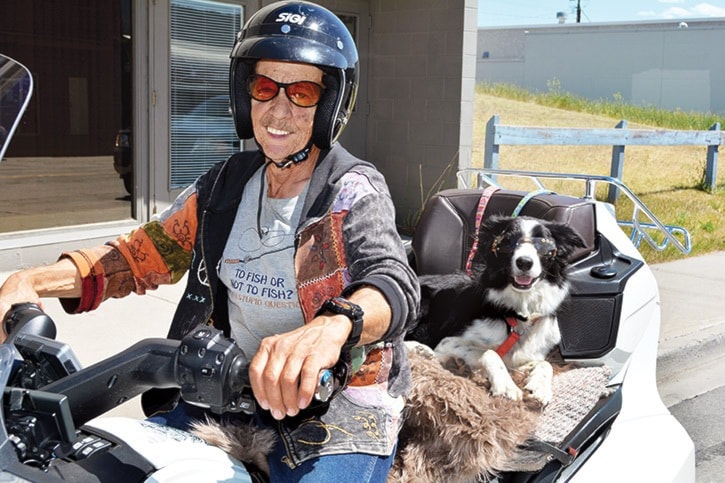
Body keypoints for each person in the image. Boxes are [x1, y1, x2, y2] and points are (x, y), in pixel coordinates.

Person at [0, 1, 420, 481]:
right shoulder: (223, 185)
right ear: (247, 96)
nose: (278, 110)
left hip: (336, 413)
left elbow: (392, 281)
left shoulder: (351, 190)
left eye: (302, 92)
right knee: (105, 468)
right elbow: (135, 258)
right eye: (266, 87)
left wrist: (331, 328)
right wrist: (30, 280)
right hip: (226, 394)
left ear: (329, 104)